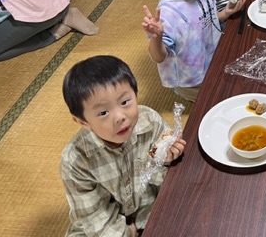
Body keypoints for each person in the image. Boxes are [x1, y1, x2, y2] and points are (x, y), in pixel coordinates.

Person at [60, 55, 186, 236]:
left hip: (148, 210)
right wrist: (127, 233)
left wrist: (167, 158)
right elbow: (94, 219)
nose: (120, 117)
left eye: (125, 102)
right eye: (103, 112)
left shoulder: (149, 121)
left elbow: (170, 181)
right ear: (82, 122)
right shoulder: (77, 160)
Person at [142, 0, 246, 102]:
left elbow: (203, 22)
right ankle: (183, 93)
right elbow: (159, 57)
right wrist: (156, 37)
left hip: (211, 62)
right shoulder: (170, 11)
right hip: (191, 80)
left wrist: (225, 13)